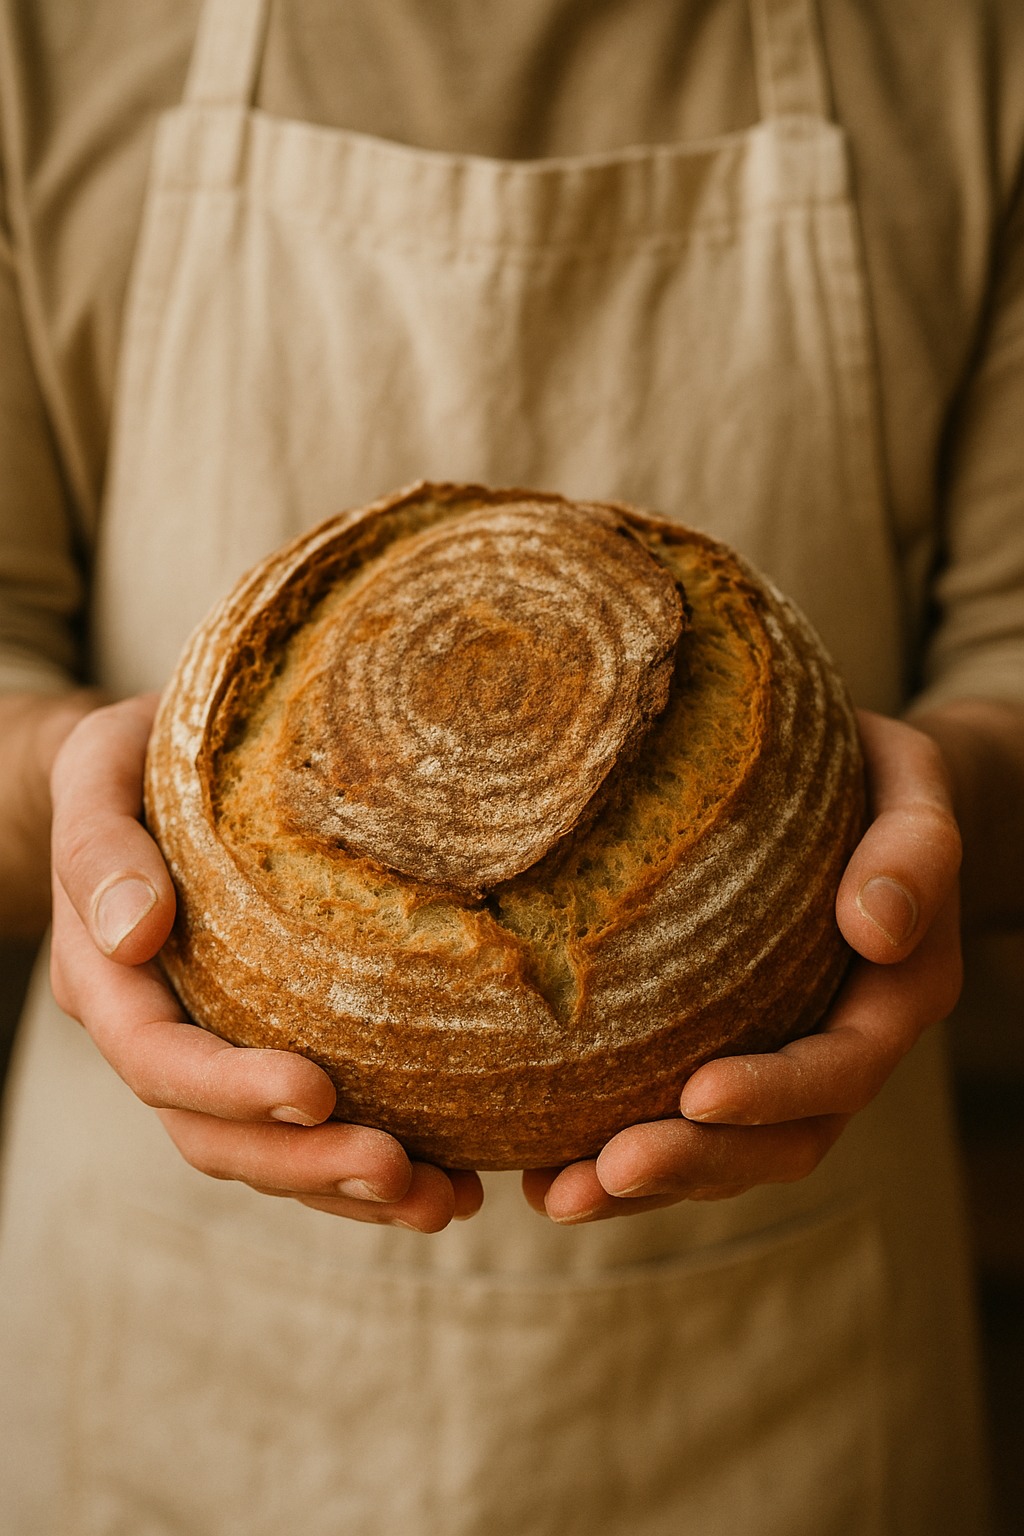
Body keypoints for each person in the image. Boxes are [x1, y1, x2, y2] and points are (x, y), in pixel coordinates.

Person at [1, 0, 1022, 1530]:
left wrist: (947, 814)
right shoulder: (40, 40)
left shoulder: (975, 46)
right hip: (178, 1367)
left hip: (786, 1387)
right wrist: (55, 801)